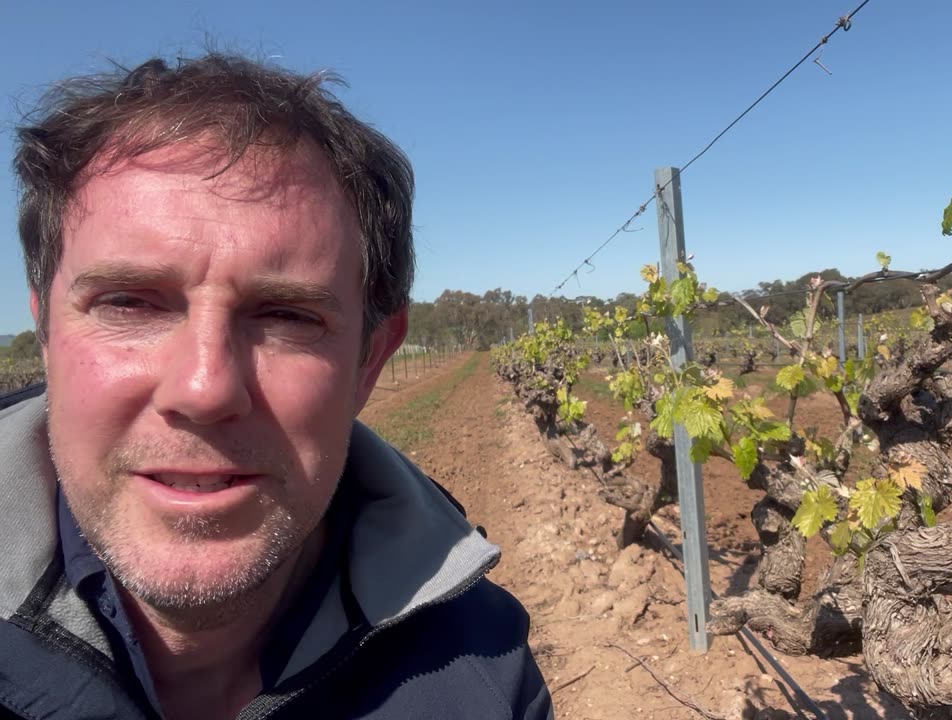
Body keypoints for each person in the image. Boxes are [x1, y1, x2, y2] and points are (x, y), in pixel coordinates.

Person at [0, 54, 553, 719]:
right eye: (130, 303)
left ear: (369, 360)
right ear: (49, 335)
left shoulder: (483, 680)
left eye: (287, 315)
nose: (205, 388)